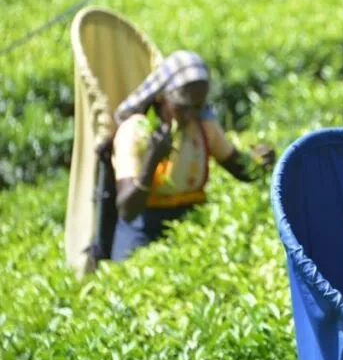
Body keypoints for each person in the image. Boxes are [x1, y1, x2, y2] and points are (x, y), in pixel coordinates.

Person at [109, 50, 274, 261]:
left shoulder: (204, 127)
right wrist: (152, 159)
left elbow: (241, 169)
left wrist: (261, 162)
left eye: (198, 107)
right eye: (183, 107)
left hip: (190, 223)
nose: (191, 116)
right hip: (142, 227)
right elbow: (127, 209)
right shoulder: (135, 133)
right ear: (162, 97)